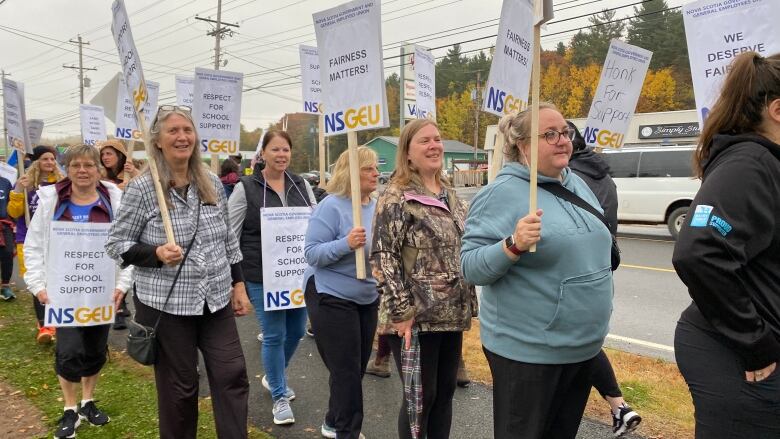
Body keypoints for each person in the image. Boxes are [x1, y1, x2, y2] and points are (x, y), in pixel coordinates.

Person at [460, 103, 614, 439]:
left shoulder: (576, 183)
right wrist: (512, 244)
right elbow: (469, 268)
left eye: (565, 132)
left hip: (581, 348)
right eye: (550, 134)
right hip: (529, 354)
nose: (562, 140)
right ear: (523, 145)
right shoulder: (499, 194)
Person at [105, 105, 251, 439]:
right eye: (173, 131)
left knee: (232, 375)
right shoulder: (143, 189)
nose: (182, 137)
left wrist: (238, 285)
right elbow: (116, 244)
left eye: (187, 130)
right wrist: (155, 253)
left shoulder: (211, 182)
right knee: (181, 390)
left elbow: (228, 239)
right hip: (167, 307)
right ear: (157, 140)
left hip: (214, 300)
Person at [673, 52, 780, 439]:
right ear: (778, 110)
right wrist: (755, 343)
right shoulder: (749, 163)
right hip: (734, 356)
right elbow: (699, 251)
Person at [371, 118, 477, 439]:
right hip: (413, 318)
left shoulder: (450, 194)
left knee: (444, 395)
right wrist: (401, 312)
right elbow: (383, 255)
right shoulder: (396, 196)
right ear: (407, 154)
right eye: (424, 141)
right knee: (421, 398)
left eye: (437, 139)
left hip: (450, 313)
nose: (434, 145)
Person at [23, 144, 132, 439]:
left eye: (88, 165)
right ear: (67, 170)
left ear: (99, 169)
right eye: (75, 166)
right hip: (63, 292)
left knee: (95, 350)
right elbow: (33, 247)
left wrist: (122, 284)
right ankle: (69, 408)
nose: (82, 171)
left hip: (101, 292)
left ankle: (87, 401)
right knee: (69, 351)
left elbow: (126, 245)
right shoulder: (51, 202)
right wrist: (37, 285)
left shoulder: (115, 201)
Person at [227, 129, 317, 425]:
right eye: (275, 150)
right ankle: (279, 395)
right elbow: (230, 233)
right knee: (274, 333)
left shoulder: (301, 184)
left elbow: (315, 224)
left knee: (297, 331)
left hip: (295, 274)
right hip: (260, 275)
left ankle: (272, 375)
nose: (281, 155)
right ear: (262, 153)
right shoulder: (246, 188)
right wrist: (234, 280)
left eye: (286, 150)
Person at [567, 121, 641, 436]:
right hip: (602, 266)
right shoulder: (603, 175)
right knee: (587, 338)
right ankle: (618, 406)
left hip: (574, 270)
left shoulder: (570, 178)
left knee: (578, 341)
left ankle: (617, 404)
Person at [304, 146, 379, 439]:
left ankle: (333, 420)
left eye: (376, 168)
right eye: (368, 168)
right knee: (347, 373)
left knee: (354, 368)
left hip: (366, 296)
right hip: (330, 294)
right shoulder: (331, 206)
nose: (376, 173)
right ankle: (347, 432)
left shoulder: (377, 205)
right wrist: (346, 243)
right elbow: (312, 253)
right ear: (351, 173)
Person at [9, 145, 65, 343]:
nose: (50, 163)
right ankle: (44, 326)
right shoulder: (26, 184)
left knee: (56, 280)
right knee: (37, 281)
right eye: (45, 159)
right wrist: (17, 190)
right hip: (27, 240)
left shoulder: (62, 183)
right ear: (35, 162)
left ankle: (58, 319)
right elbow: (14, 213)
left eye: (52, 159)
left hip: (56, 240)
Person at [98, 139, 139, 331]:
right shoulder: (101, 177)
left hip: (133, 226)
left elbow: (150, 188)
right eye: (103, 154)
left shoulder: (132, 172)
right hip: (109, 226)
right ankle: (118, 308)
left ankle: (124, 300)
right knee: (113, 266)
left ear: (120, 155)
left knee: (129, 265)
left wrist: (135, 176)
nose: (105, 158)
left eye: (109, 153)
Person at [0, 174, 14, 301]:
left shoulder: (5, 182)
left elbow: (11, 204)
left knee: (8, 253)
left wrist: (14, 222)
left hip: (4, 224)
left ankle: (5, 286)